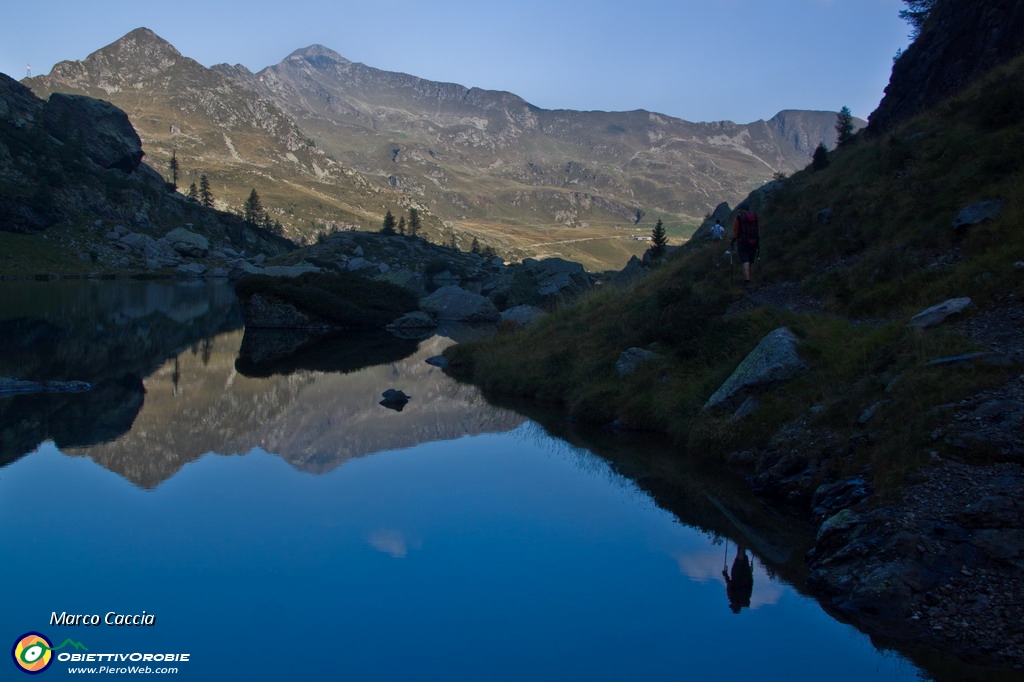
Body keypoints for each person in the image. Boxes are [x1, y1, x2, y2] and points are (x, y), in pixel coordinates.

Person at [731, 203, 759, 287]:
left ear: (741, 209)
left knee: (745, 262)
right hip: (754, 242)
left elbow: (736, 233)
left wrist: (732, 241)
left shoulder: (738, 219)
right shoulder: (754, 217)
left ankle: (747, 281)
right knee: (750, 261)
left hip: (742, 243)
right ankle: (751, 277)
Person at [723, 542, 754, 613]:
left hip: (745, 575)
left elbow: (750, 585)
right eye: (733, 605)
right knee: (741, 558)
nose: (732, 604)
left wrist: (750, 573)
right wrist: (725, 575)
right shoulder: (733, 597)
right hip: (738, 575)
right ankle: (742, 540)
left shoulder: (745, 598)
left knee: (742, 558)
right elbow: (729, 584)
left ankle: (743, 540)